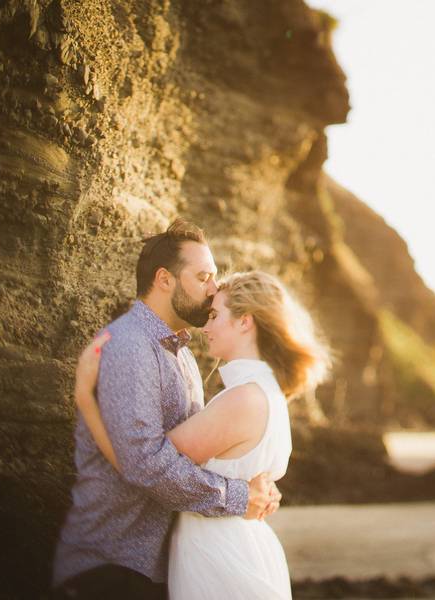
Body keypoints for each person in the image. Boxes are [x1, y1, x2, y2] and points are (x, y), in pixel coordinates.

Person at [51, 219, 282, 599]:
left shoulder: (183, 356)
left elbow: (195, 453)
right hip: (110, 563)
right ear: (164, 279)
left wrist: (259, 485)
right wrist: (239, 497)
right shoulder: (130, 346)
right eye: (204, 277)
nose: (213, 290)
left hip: (150, 567)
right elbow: (144, 462)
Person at [74, 269, 329, 599]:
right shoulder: (267, 392)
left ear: (245, 321)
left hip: (218, 554)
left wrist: (87, 398)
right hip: (240, 546)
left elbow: (147, 462)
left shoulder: (244, 398)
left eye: (214, 315)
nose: (205, 327)